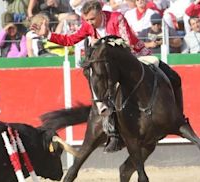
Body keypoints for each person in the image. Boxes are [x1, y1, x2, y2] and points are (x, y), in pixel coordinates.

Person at [33, 0, 184, 152]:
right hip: (112, 67)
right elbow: (70, 40)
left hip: (135, 58)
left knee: (172, 76)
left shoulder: (116, 18)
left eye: (92, 19)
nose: (90, 23)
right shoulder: (87, 25)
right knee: (105, 97)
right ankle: (114, 134)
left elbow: (126, 43)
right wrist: (48, 34)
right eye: (87, 20)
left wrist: (101, 44)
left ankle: (178, 117)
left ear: (100, 13)